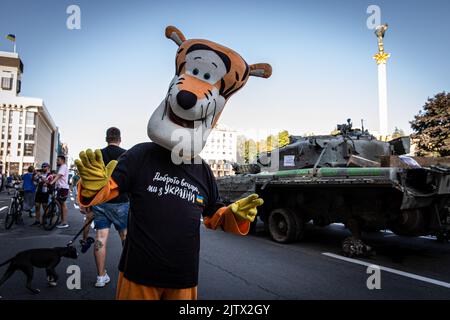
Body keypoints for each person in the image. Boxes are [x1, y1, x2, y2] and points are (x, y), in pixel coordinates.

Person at [91, 127, 129, 288]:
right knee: (125, 237)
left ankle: (100, 276)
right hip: (121, 200)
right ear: (120, 139)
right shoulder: (126, 154)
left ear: (106, 138)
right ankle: (128, 274)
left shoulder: (97, 154)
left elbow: (90, 179)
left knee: (100, 238)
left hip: (100, 201)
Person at [50, 155, 70, 229]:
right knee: (60, 204)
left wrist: (52, 182)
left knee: (63, 204)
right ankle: (62, 220)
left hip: (63, 188)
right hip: (60, 188)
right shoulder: (62, 167)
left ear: (62, 160)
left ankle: (64, 222)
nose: (57, 161)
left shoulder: (63, 166)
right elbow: (59, 175)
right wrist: (54, 175)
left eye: (58, 160)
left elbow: (59, 176)